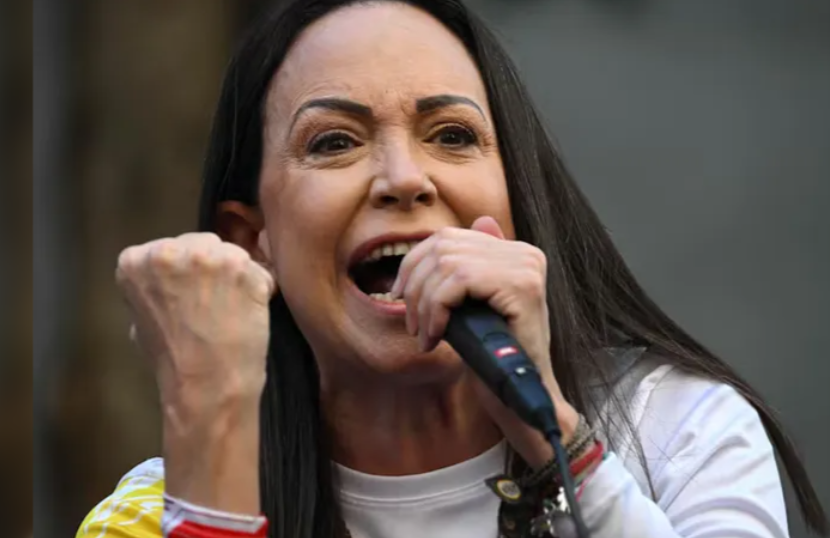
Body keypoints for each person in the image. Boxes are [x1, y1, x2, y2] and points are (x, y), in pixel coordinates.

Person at [75, 1, 827, 537]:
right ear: (251, 242)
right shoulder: (161, 508)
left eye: (453, 135)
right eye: (334, 142)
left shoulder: (678, 431)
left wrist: (561, 446)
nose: (405, 179)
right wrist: (211, 423)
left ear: (514, 197)